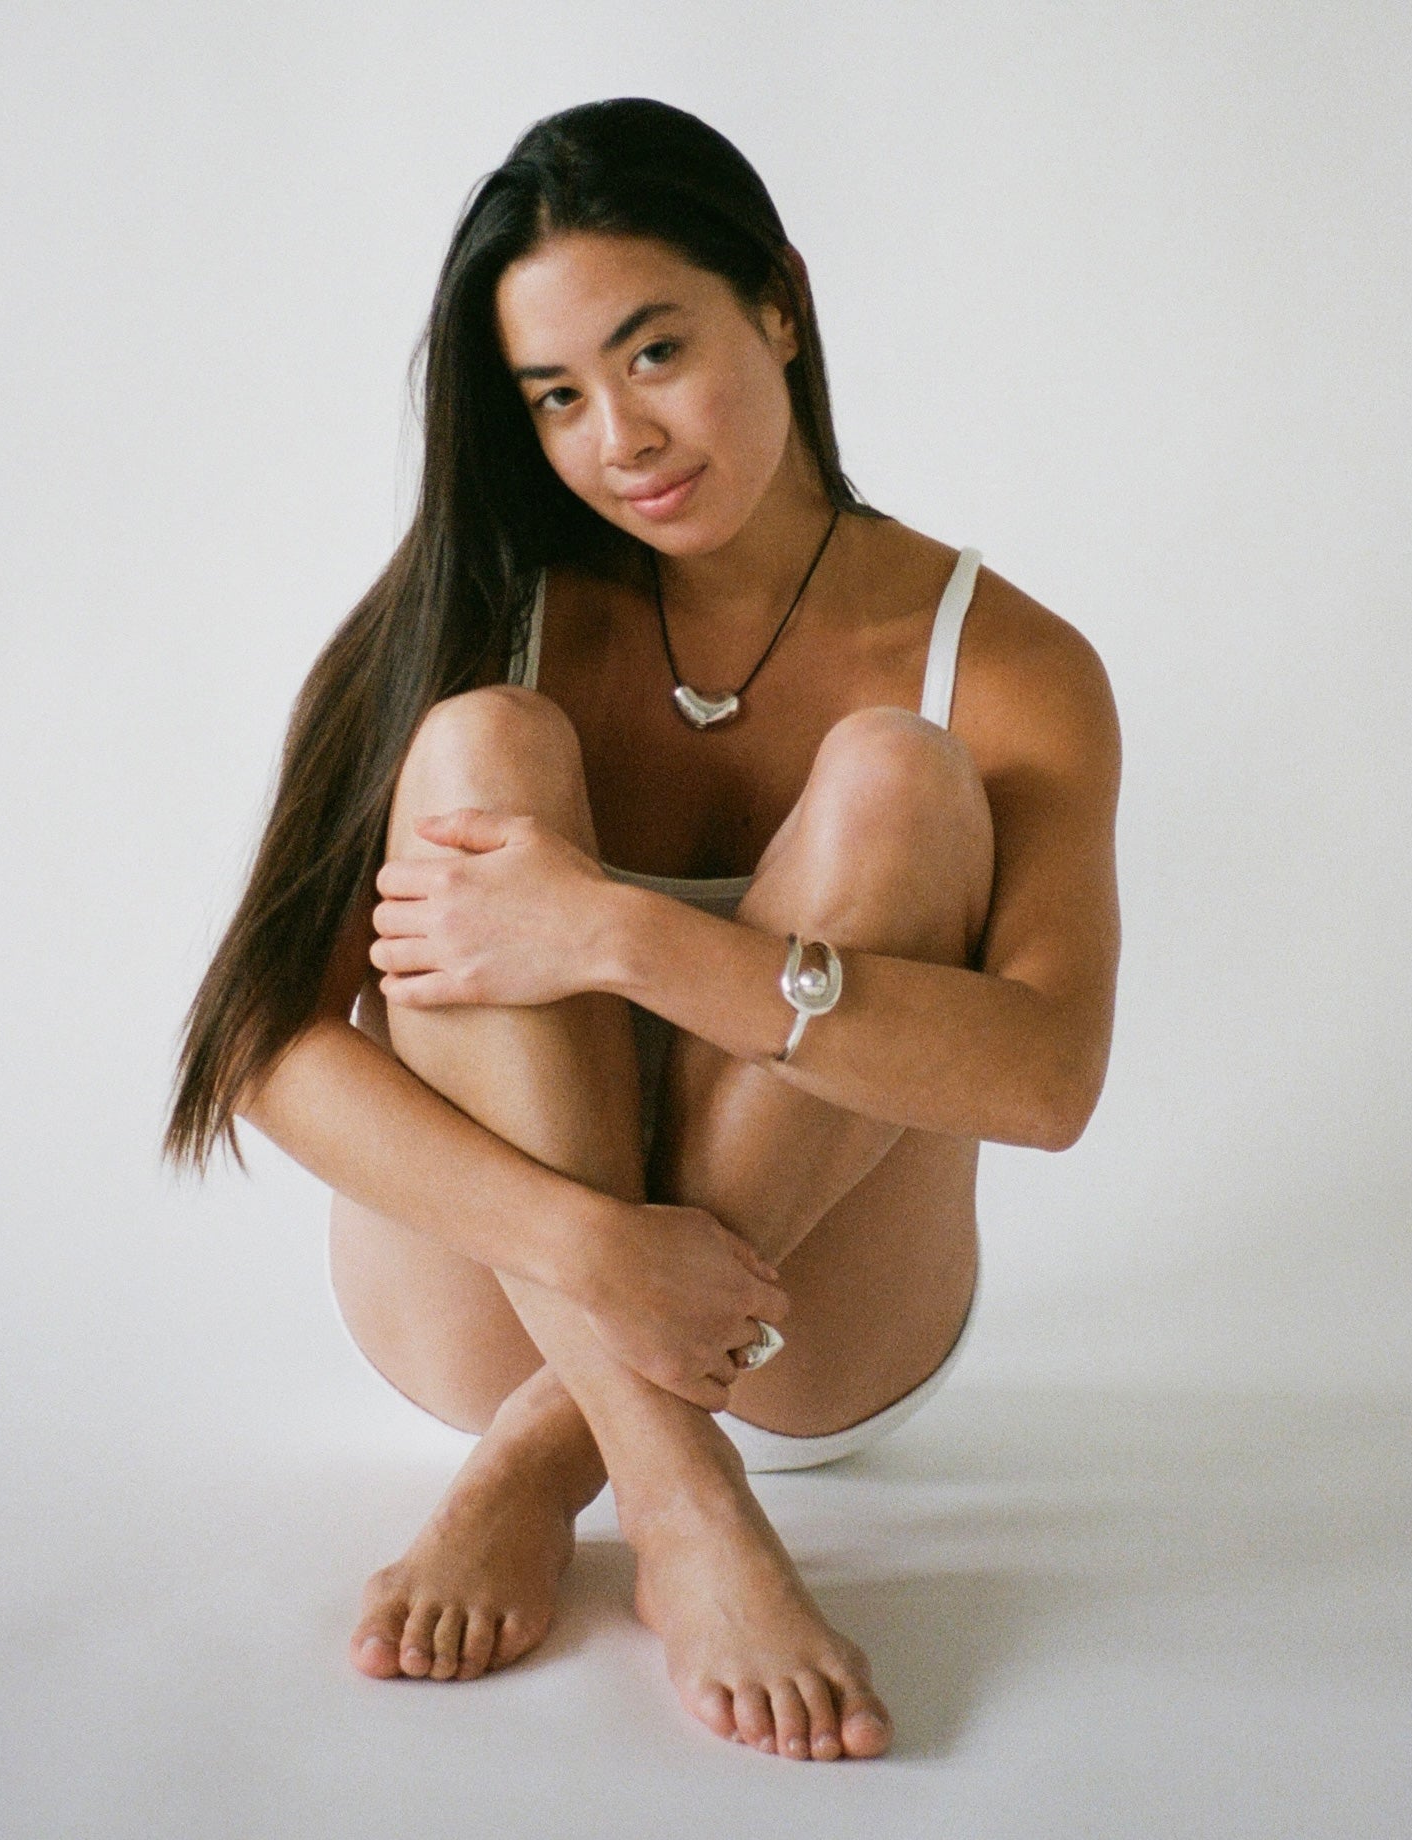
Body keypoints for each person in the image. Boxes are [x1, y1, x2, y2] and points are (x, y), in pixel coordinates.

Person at [165, 96, 1120, 1764]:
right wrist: (591, 1250)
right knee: (478, 746)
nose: (620, 436)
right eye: (555, 395)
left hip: (810, 1333)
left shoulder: (1012, 663)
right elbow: (258, 1043)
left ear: (780, 303)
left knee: (899, 779)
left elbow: (1045, 1083)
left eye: (655, 351)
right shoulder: (472, 611)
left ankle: (549, 1460)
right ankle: (681, 1499)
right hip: (495, 1299)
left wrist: (612, 933)